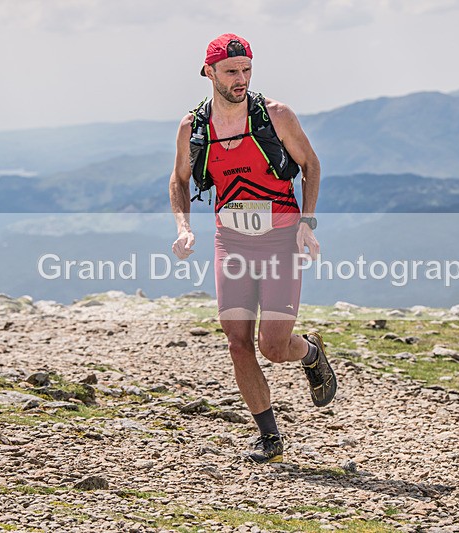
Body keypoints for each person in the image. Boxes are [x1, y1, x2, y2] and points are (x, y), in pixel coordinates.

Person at [168, 33, 337, 464]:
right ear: (208, 72)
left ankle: (311, 352)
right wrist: (184, 227)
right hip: (232, 241)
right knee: (237, 342)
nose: (240, 79)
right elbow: (180, 180)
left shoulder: (275, 115)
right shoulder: (194, 127)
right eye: (230, 72)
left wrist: (308, 223)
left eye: (246, 70)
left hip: (281, 238)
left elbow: (310, 165)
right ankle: (270, 437)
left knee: (274, 346)